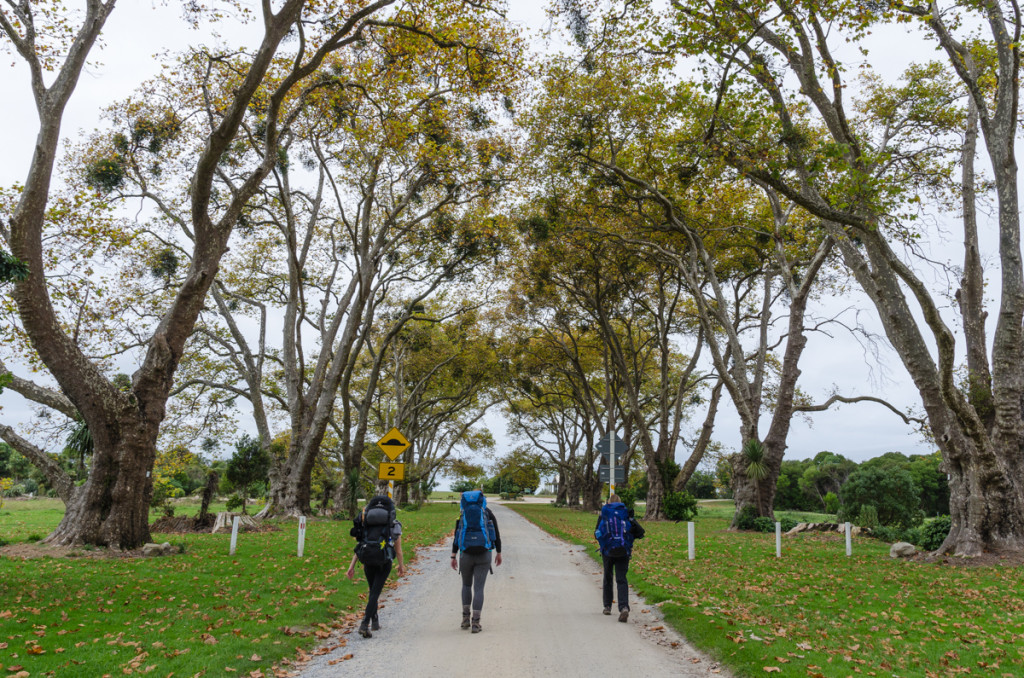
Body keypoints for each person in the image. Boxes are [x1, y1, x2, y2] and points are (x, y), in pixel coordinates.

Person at [346, 493, 405, 638]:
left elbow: (360, 546)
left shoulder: (367, 526)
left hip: (367, 559)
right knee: (375, 592)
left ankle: (375, 620)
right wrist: (401, 565)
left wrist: (351, 566)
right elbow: (398, 550)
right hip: (384, 561)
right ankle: (365, 623)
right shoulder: (394, 525)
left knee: (372, 590)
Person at [450, 488, 502, 633]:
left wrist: (453, 556)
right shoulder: (488, 513)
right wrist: (499, 552)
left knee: (466, 586)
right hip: (484, 554)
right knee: (479, 588)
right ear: (482, 499)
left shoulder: (462, 514)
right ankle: (476, 623)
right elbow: (496, 534)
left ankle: (465, 619)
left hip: (465, 554)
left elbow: (456, 536)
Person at [594, 493, 644, 622]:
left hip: (607, 551)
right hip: (623, 551)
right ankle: (624, 607)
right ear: (620, 502)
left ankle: (607, 606)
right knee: (621, 579)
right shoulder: (625, 513)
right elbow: (639, 532)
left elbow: (597, 533)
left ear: (608, 502)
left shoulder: (604, 514)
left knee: (608, 577)